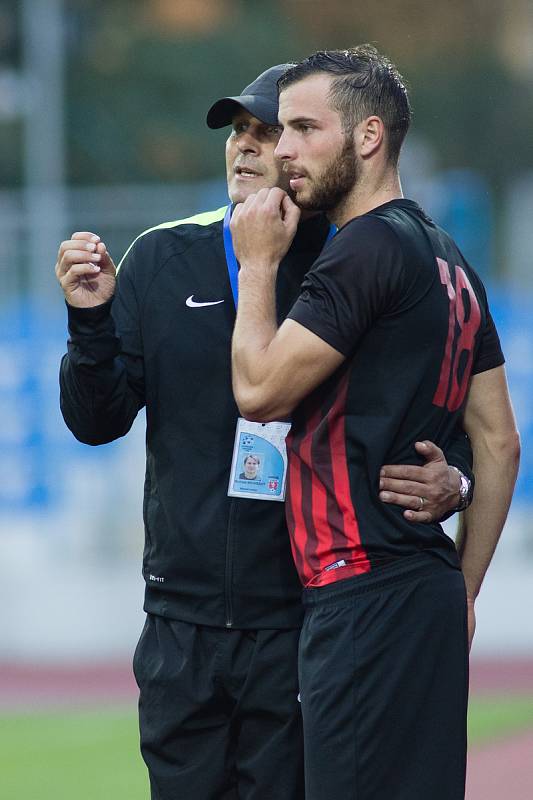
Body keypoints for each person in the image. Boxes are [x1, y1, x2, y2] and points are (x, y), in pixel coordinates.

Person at [56, 64, 476, 800]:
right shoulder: (161, 255)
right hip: (179, 623)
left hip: (304, 618)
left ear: (304, 152)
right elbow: (97, 421)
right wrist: (90, 322)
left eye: (270, 132)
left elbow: (443, 411)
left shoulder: (352, 257)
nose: (246, 149)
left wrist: (457, 479)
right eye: (236, 133)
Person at [230, 47, 519, 800]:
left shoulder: (364, 247)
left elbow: (259, 391)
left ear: (366, 136)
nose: (282, 149)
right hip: (423, 594)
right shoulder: (451, 258)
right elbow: (499, 443)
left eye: (301, 127)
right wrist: (462, 588)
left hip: (358, 592)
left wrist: (256, 264)